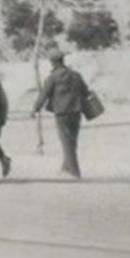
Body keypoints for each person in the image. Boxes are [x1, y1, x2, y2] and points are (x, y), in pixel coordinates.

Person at [33, 49, 90, 179]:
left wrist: (35, 108)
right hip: (76, 111)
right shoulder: (76, 75)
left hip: (61, 113)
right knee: (72, 141)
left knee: (66, 141)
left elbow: (44, 94)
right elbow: (86, 91)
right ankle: (65, 167)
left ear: (53, 62)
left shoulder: (53, 77)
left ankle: (75, 171)